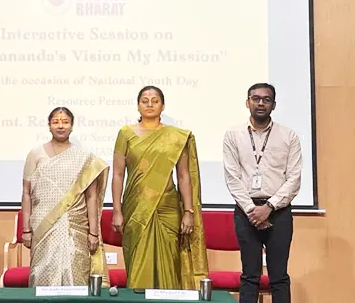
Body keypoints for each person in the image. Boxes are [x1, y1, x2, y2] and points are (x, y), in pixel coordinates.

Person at [111, 86, 208, 289]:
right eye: (145, 101)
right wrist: (117, 211)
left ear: (162, 106)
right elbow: (118, 174)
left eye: (155, 101)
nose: (150, 104)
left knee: (169, 263)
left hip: (167, 208)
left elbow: (183, 175)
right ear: (138, 105)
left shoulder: (175, 136)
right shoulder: (125, 133)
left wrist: (188, 211)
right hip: (136, 207)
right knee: (138, 263)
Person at [223, 83, 302, 303]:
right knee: (250, 276)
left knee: (279, 277)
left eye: (266, 100)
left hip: (279, 212)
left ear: (273, 105)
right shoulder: (233, 135)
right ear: (247, 102)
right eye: (256, 98)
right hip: (246, 212)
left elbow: (294, 178)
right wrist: (252, 210)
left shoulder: (288, 136)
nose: (260, 103)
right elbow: (232, 177)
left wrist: (269, 207)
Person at [21, 107, 110, 287]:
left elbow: (91, 197)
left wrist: (93, 233)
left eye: (65, 122)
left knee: (76, 276)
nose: (60, 126)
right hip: (43, 225)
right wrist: (26, 230)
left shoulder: (84, 158)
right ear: (49, 126)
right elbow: (26, 193)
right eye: (55, 122)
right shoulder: (35, 154)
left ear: (72, 126)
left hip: (75, 226)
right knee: (42, 276)